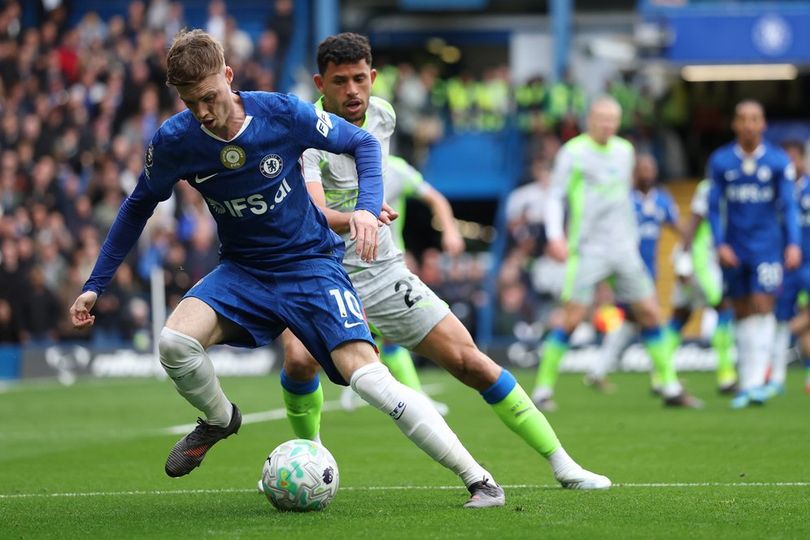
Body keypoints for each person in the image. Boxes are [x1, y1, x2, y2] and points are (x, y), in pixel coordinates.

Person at [68, 29, 506, 509]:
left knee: (369, 379)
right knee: (174, 342)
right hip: (244, 272)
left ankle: (479, 479)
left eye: (211, 97)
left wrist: (366, 207)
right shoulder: (175, 141)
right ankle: (219, 420)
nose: (204, 112)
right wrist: (96, 285)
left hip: (309, 265)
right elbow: (136, 207)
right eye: (192, 103)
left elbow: (361, 142)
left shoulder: (280, 113)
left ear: (229, 77)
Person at [279, 32, 610, 492]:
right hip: (321, 271)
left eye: (359, 79)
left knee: (470, 360)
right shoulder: (304, 135)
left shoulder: (384, 115)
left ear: (372, 77)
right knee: (297, 359)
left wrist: (373, 217)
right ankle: (307, 459)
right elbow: (315, 211)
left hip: (382, 270)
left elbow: (380, 179)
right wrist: (358, 217)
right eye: (340, 82)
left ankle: (564, 464)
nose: (352, 91)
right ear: (320, 82)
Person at [532, 97, 702, 411]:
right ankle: (542, 389)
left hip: (624, 248)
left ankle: (669, 386)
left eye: (613, 119)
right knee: (571, 318)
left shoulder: (625, 151)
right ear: (590, 119)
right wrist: (556, 236)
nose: (608, 124)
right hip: (588, 249)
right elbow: (555, 196)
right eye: (602, 118)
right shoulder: (574, 152)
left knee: (650, 312)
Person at [339, 153, 464, 414]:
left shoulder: (396, 168)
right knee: (372, 333)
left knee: (385, 335)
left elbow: (435, 198)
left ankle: (364, 385)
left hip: (387, 266)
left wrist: (450, 230)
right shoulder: (335, 163)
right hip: (345, 263)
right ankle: (369, 385)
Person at [707, 100, 800, 408]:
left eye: (755, 119)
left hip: (767, 246)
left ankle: (759, 381)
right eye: (743, 119)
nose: (749, 124)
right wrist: (719, 243)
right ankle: (748, 381)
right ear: (735, 124)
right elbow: (713, 207)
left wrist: (793, 243)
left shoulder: (777, 160)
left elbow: (788, 205)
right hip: (734, 248)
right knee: (742, 311)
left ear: (763, 125)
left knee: (763, 306)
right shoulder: (721, 161)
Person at [584, 154, 683, 391]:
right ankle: (664, 379)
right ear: (633, 172)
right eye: (643, 169)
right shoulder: (624, 200)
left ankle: (597, 371)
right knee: (652, 318)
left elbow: (678, 227)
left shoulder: (662, 200)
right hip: (626, 271)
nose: (647, 172)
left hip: (650, 270)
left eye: (651, 168)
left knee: (630, 323)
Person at [667, 179, 737, 394]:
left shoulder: (734, 185)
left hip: (703, 263)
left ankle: (661, 374)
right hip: (702, 263)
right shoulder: (709, 187)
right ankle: (726, 376)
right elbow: (693, 225)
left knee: (680, 316)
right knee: (724, 311)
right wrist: (685, 260)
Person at [770, 140, 810, 397]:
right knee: (783, 319)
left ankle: (771, 357)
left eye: (794, 158)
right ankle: (775, 376)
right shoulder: (775, 192)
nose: (790, 164)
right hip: (784, 265)